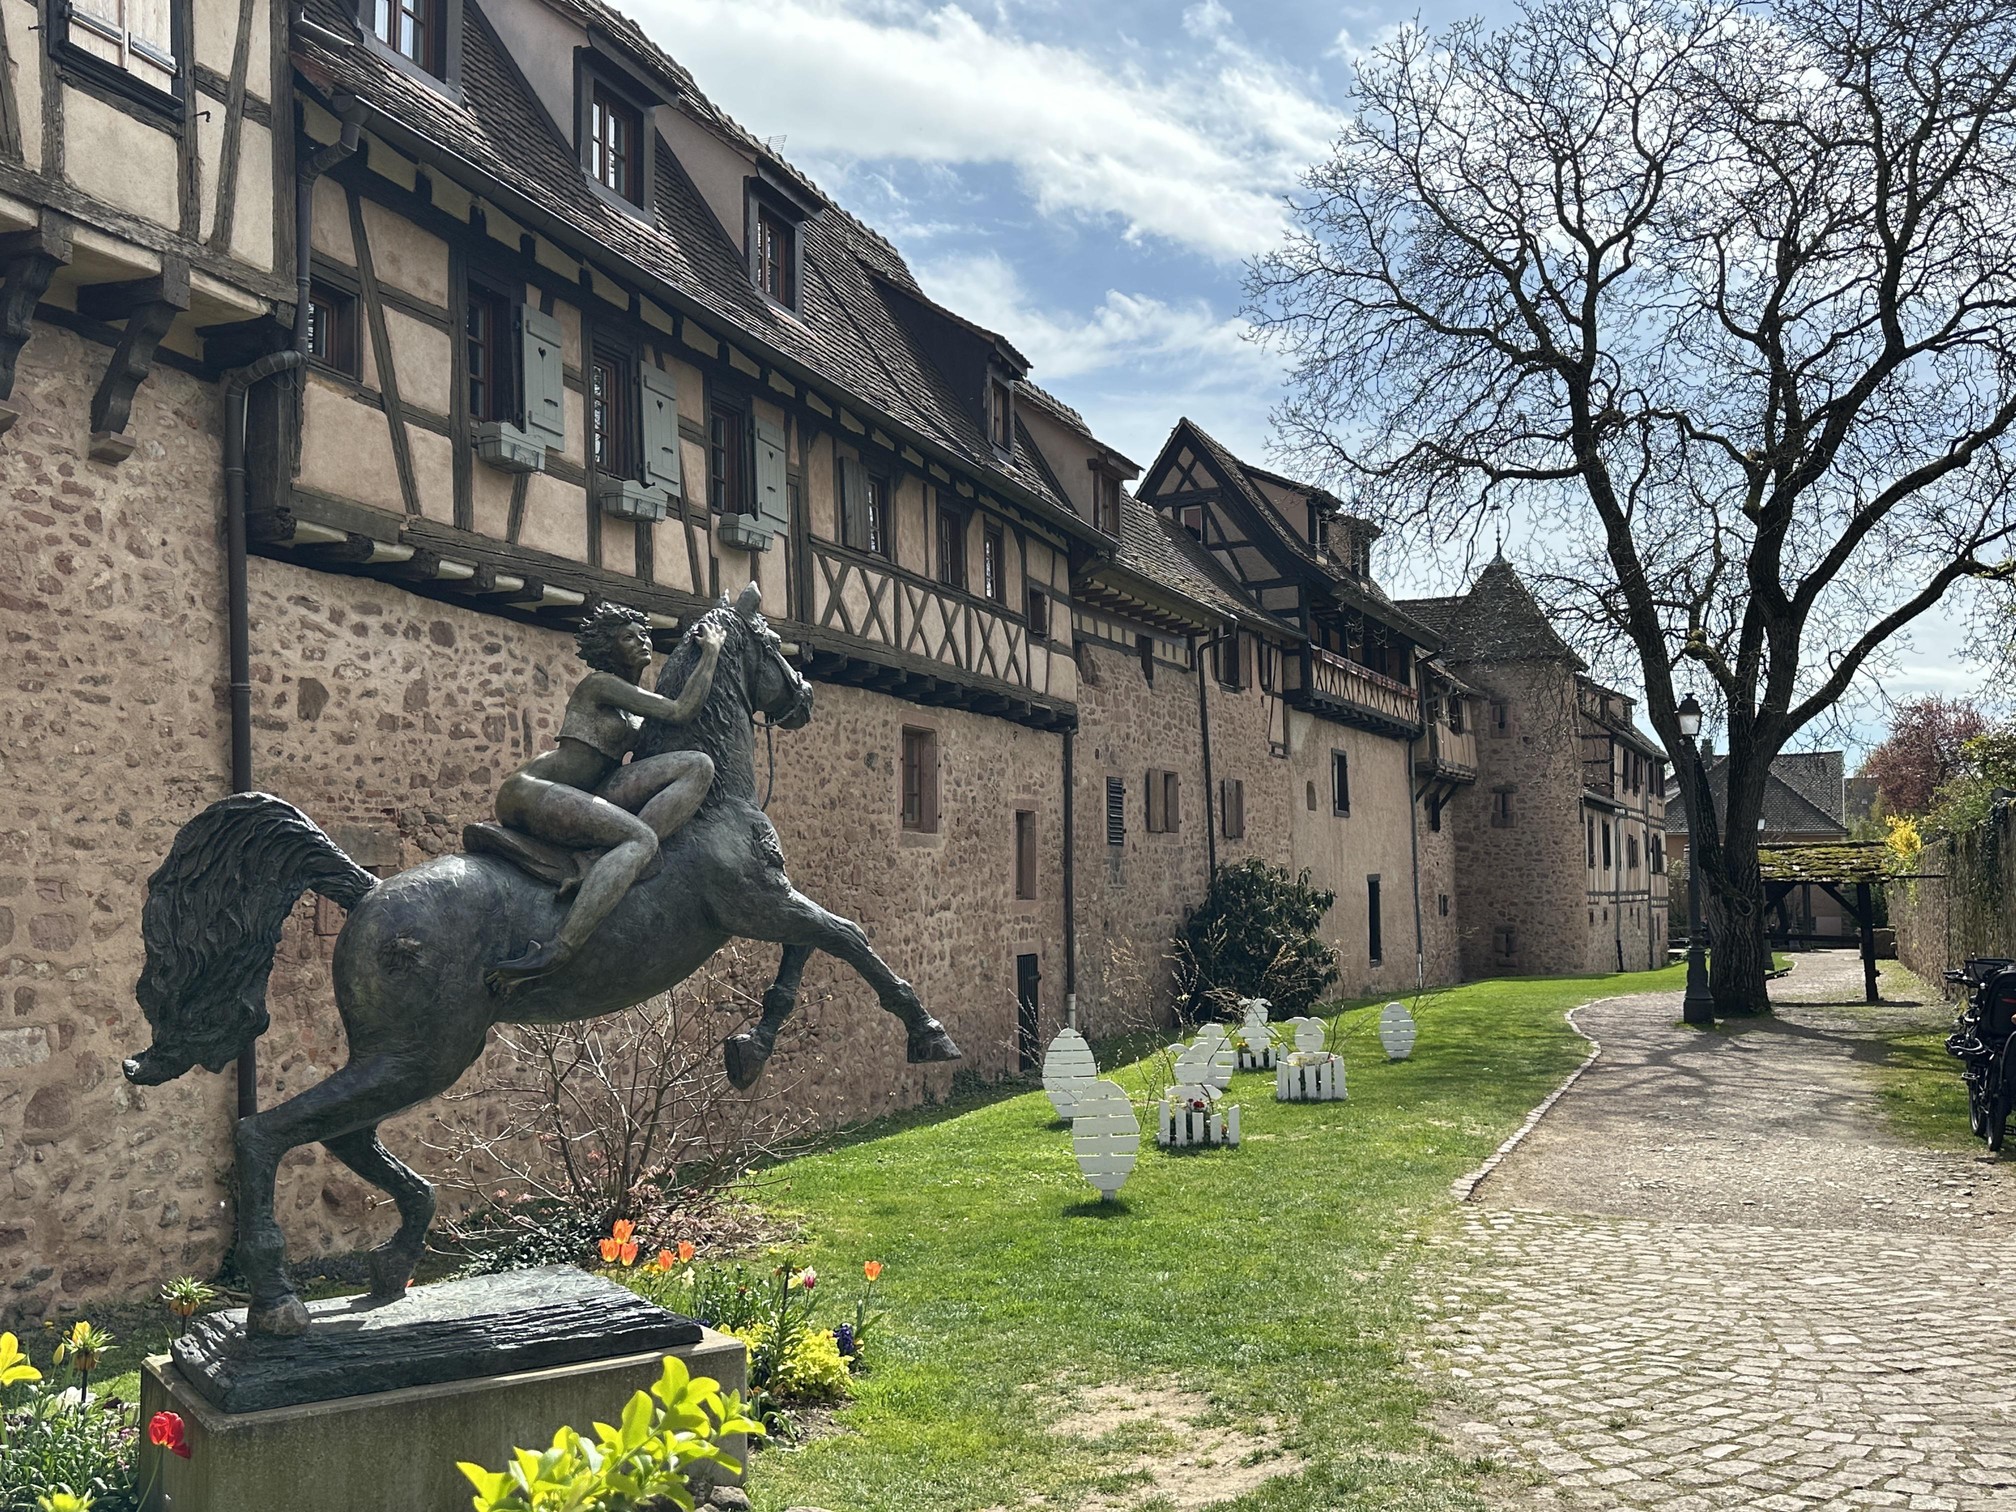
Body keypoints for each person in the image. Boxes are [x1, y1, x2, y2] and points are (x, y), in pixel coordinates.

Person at [484, 603, 724, 995]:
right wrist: (711, 653)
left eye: (643, 634)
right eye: (628, 637)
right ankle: (558, 949)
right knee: (640, 839)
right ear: (608, 649)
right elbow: (680, 710)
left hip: (589, 791)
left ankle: (603, 860)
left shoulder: (634, 706)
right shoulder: (600, 684)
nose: (641, 641)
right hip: (531, 790)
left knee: (698, 766)